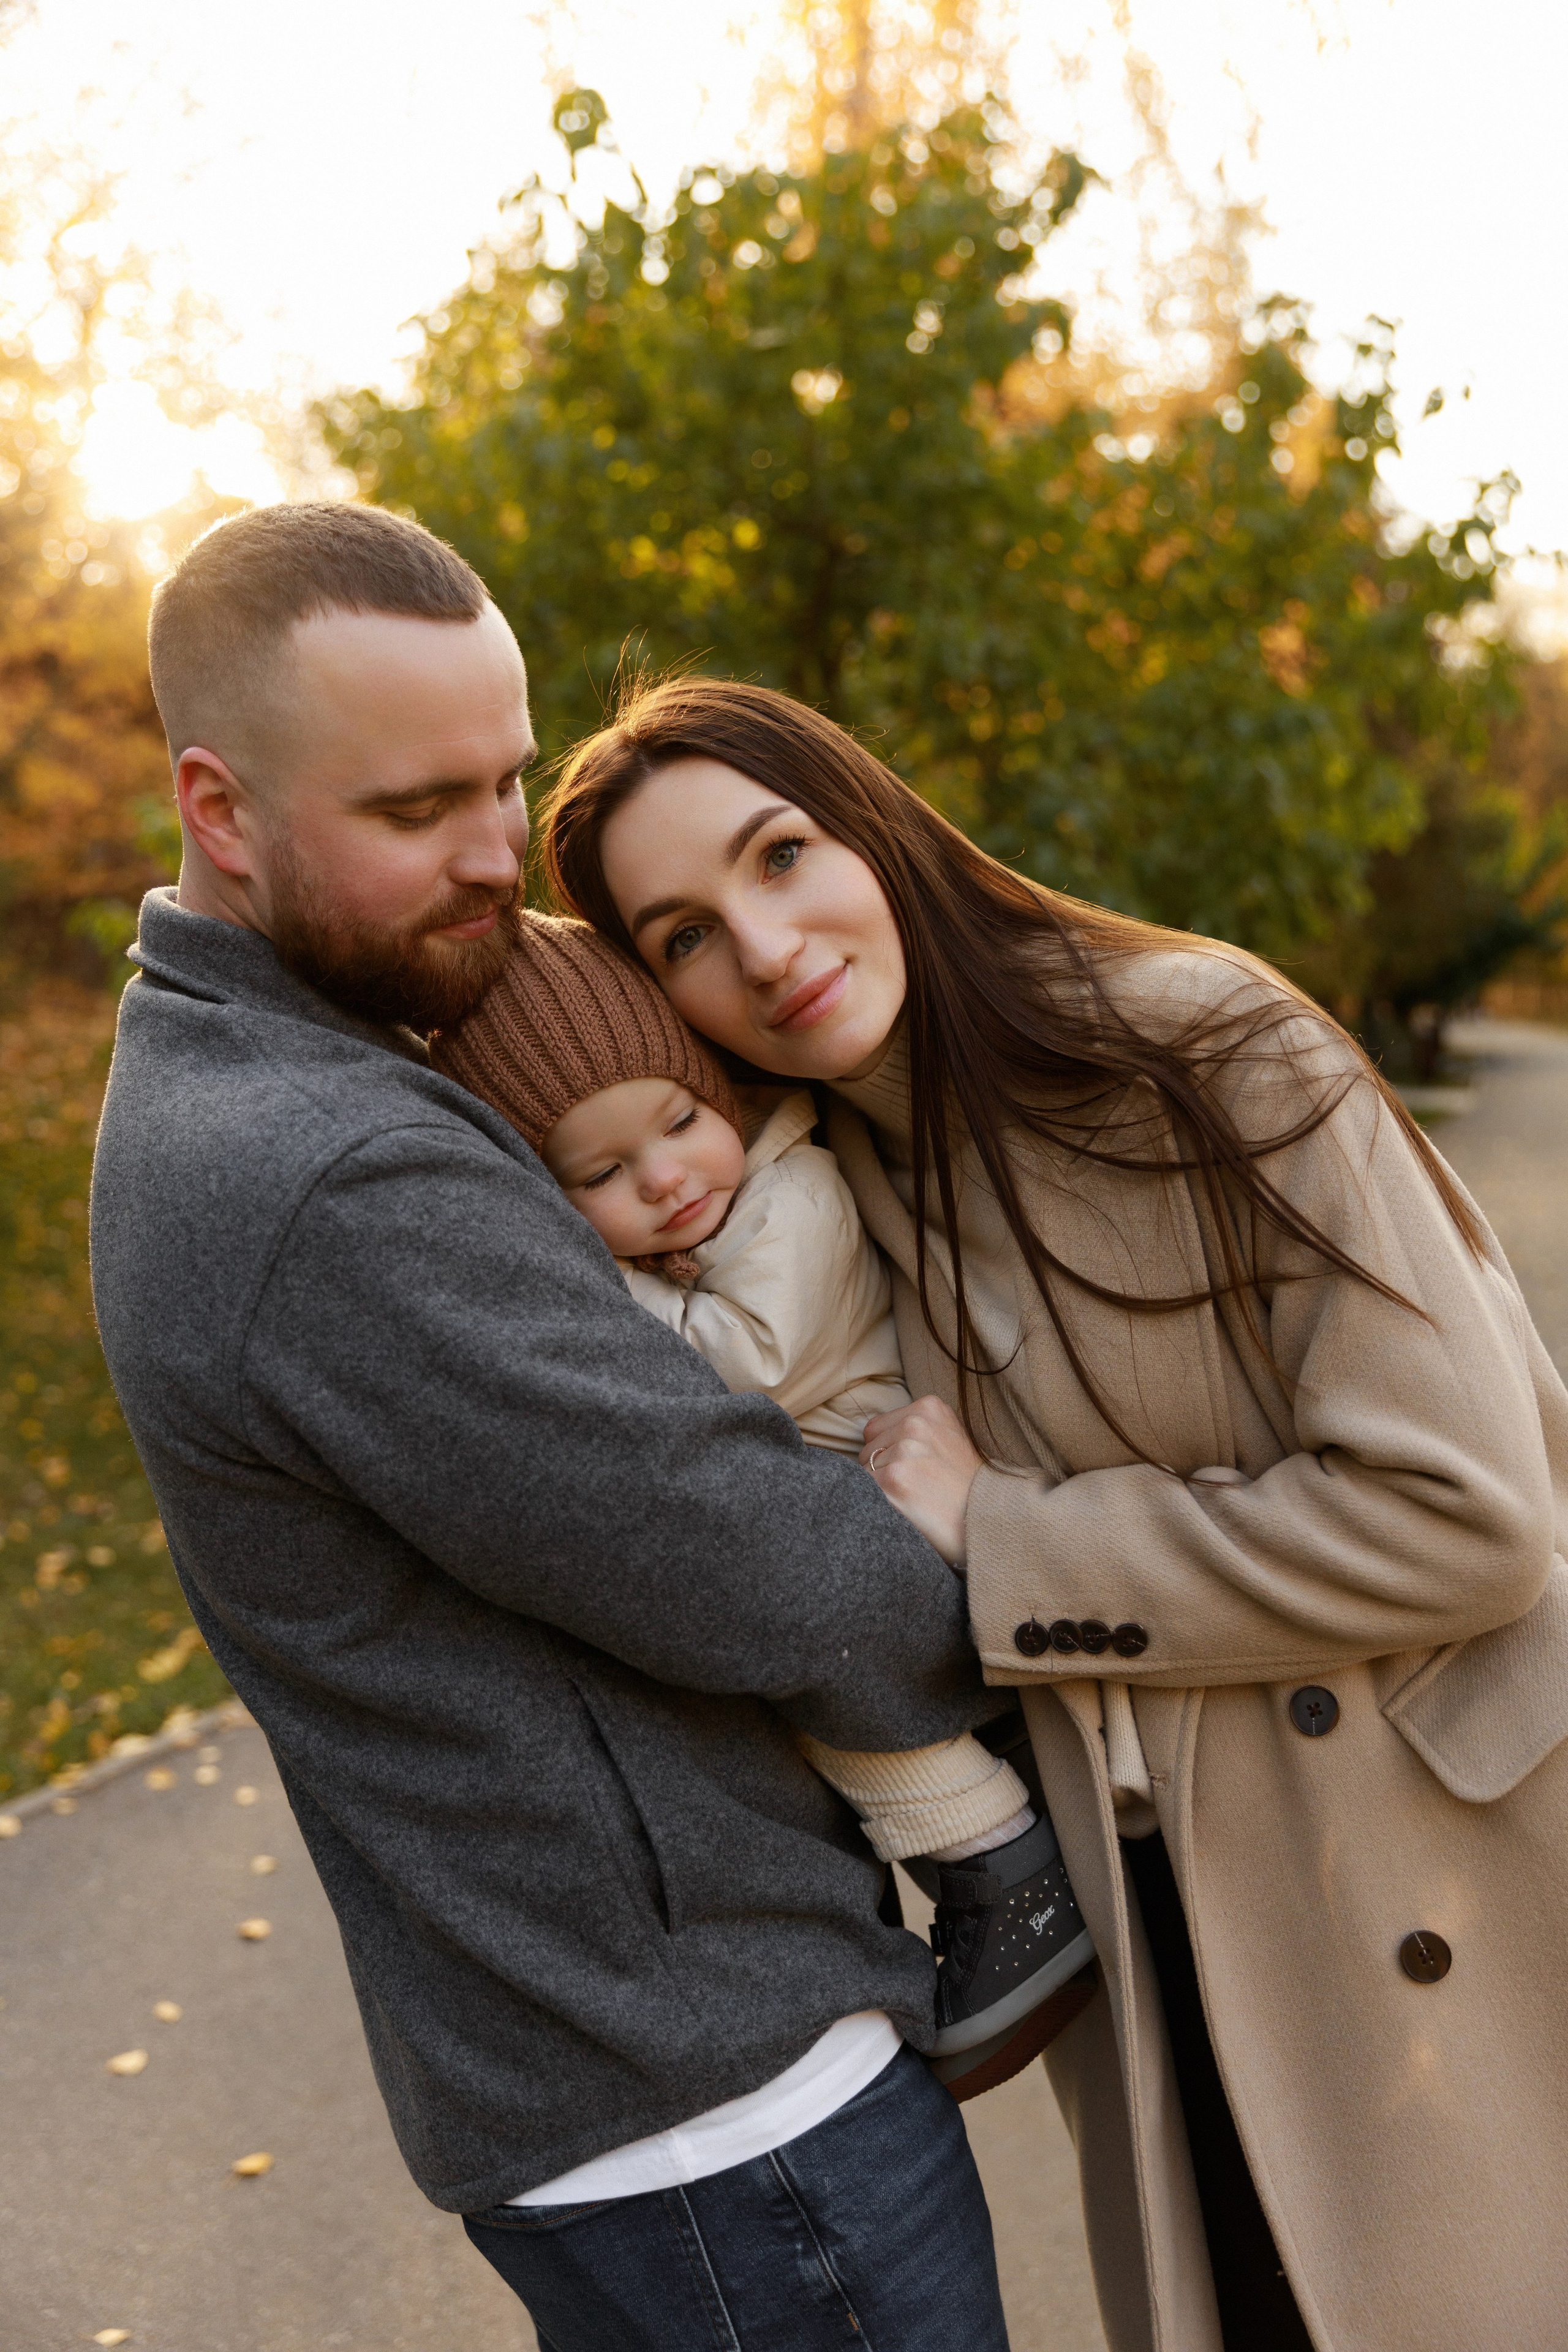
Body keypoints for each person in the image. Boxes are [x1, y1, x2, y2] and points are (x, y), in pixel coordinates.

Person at [540, 669, 1568, 2352]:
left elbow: (1466, 1515)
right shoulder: (827, 1187)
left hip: (1444, 1888)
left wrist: (1010, 1538)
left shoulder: (1208, 1044)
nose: (767, 944)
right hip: (1174, 1940)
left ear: (869, 825)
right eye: (684, 936)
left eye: (781, 854)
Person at [88, 504, 1018, 2352]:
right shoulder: (327, 1165)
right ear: (220, 809)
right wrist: (1062, 1572)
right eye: (415, 807)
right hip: (716, 2111)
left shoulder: (285, 1064)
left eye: (505, 783)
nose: (496, 857)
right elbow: (770, 1574)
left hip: (658, 2084)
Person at [429, 908, 1096, 2094]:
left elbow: (744, 1363)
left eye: (680, 1121)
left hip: (884, 1509)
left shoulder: (793, 1197)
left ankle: (1005, 1868)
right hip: (833, 1495)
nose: (668, 1177)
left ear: (717, 1094)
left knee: (813, 1663)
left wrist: (589, 1300)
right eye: (603, 1175)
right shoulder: (710, 1220)